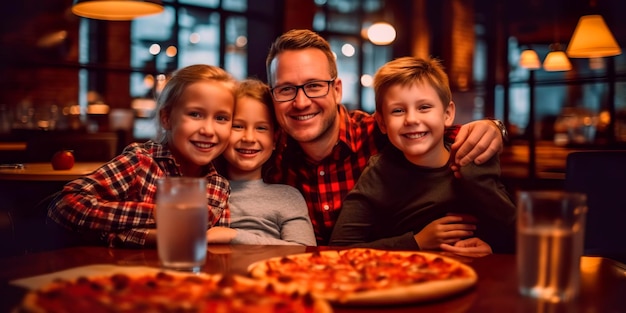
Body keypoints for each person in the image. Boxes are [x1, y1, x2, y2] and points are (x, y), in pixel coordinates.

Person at [264, 29, 507, 245]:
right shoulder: (269, 157)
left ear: (337, 90)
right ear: (272, 96)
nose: (301, 102)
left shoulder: (380, 132)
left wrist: (495, 128)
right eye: (286, 89)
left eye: (315, 86)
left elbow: (441, 136)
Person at [328, 57, 516, 255]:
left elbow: (514, 234)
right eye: (398, 110)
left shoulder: (474, 159)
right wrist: (416, 241)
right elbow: (339, 247)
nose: (411, 119)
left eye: (424, 107)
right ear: (382, 123)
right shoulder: (379, 173)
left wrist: (491, 248)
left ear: (447, 114)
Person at [47, 64, 236, 248]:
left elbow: (212, 249)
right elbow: (64, 205)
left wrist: (132, 235)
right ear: (166, 119)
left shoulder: (218, 187)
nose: (208, 130)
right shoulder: (141, 163)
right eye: (195, 114)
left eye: (221, 118)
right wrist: (156, 213)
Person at [208, 79, 316, 246]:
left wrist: (233, 236)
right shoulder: (202, 191)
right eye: (237, 126)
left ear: (274, 140)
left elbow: (305, 251)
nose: (249, 138)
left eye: (261, 128)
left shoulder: (287, 197)